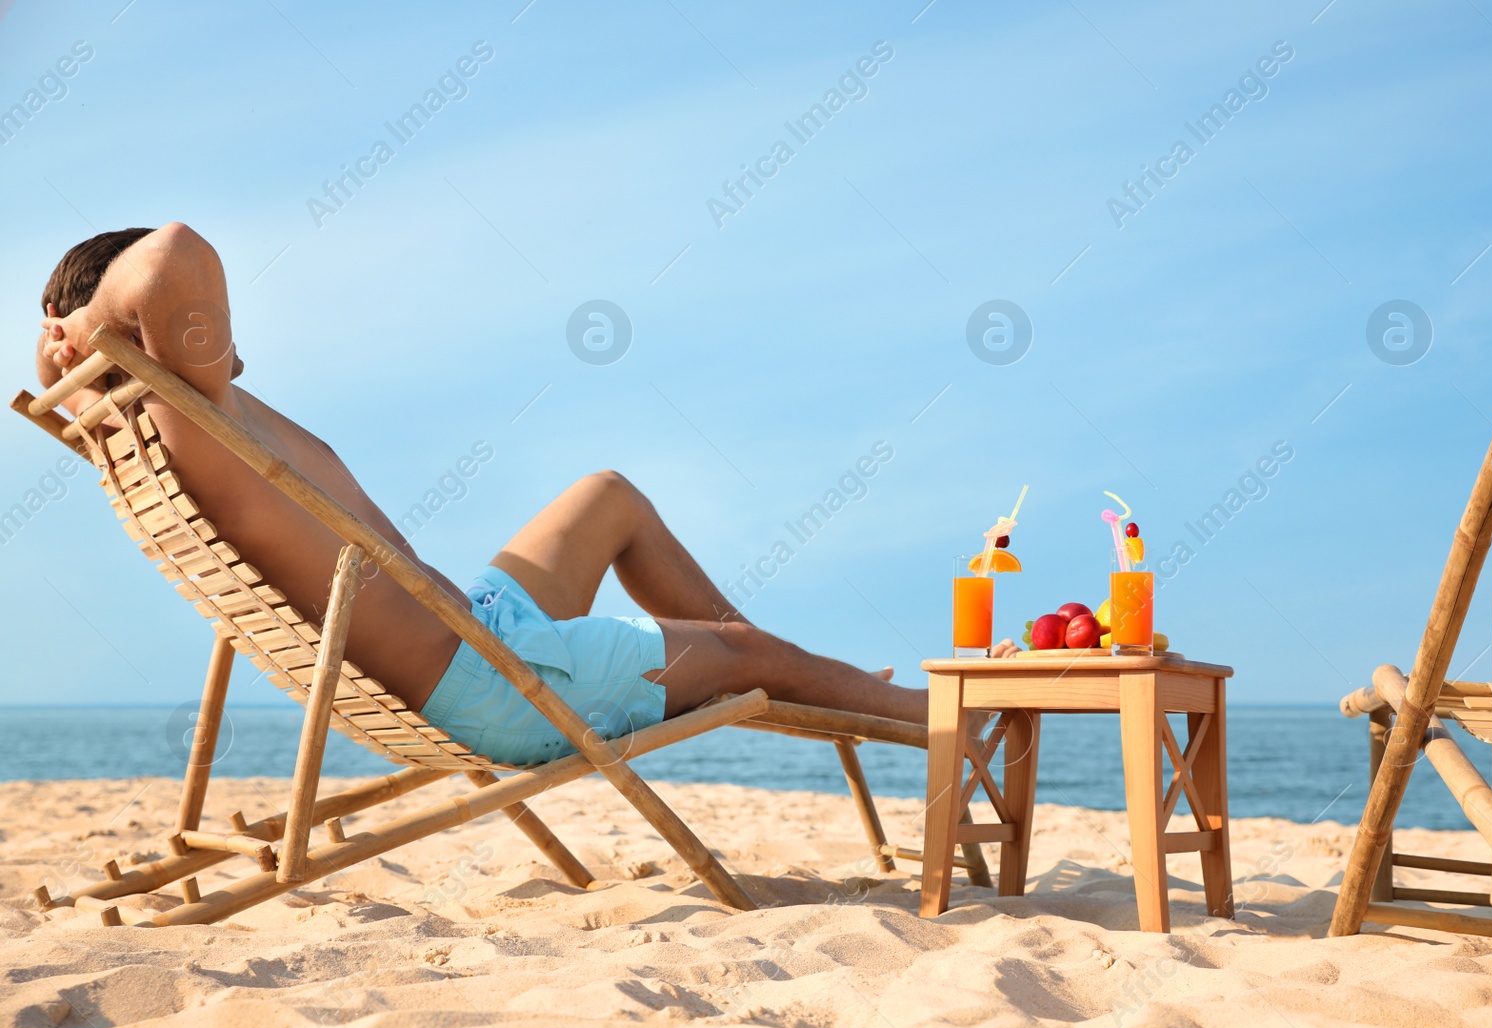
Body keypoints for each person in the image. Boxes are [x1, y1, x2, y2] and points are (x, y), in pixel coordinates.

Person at [34, 224, 948, 765]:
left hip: (481, 633)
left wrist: (76, 349)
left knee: (608, 495)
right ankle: (888, 703)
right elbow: (173, 257)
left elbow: (164, 291)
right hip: (492, 684)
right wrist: (84, 322)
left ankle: (755, 663)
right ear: (135, 329)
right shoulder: (187, 409)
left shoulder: (183, 421)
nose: (232, 338)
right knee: (750, 650)